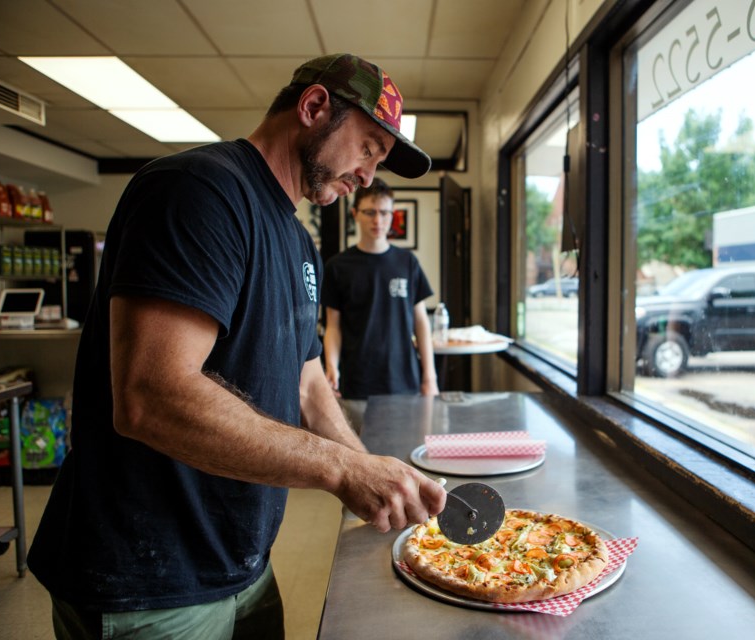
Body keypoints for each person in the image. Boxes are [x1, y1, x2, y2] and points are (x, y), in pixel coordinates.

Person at [26, 53, 446, 639]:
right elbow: (151, 394)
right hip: (150, 581)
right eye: (368, 148)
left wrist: (367, 472)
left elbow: (307, 382)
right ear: (314, 106)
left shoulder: (298, 241)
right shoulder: (198, 191)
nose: (369, 175)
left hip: (242, 563)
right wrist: (339, 468)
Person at [322, 178, 439, 400]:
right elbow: (333, 326)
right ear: (355, 213)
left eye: (385, 213)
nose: (378, 220)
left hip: (405, 380)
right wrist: (331, 367)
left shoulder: (407, 262)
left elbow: (421, 321)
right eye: (370, 212)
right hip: (357, 382)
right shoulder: (337, 266)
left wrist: (429, 377)